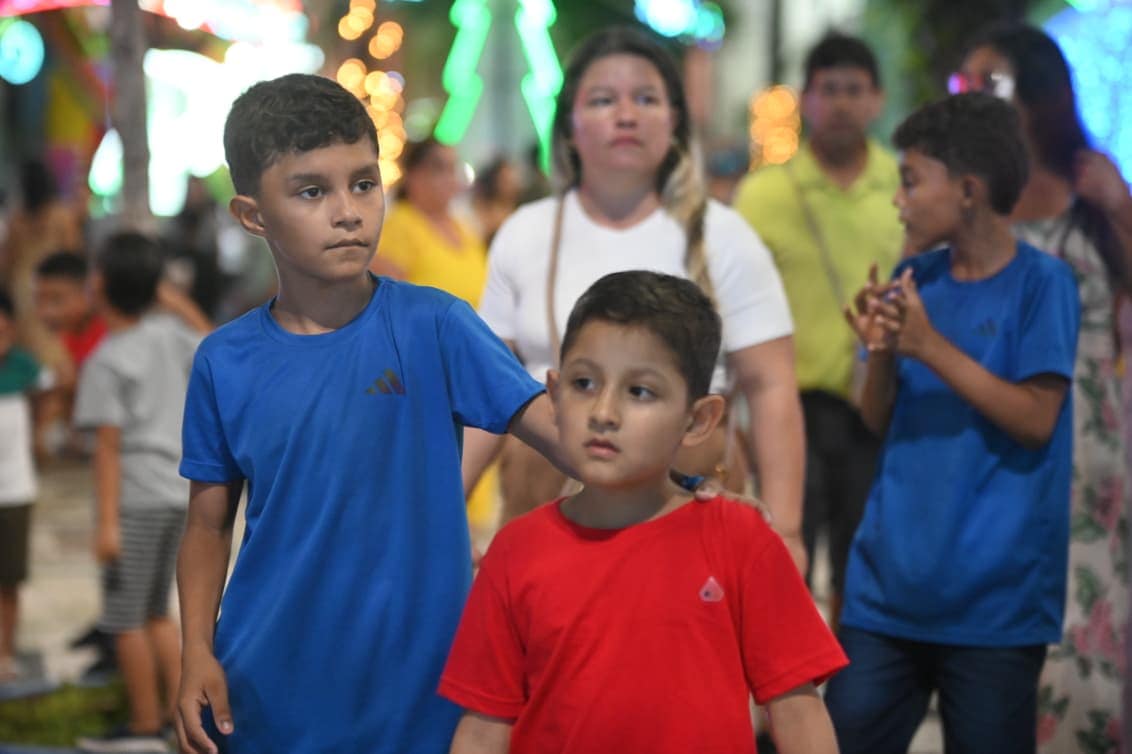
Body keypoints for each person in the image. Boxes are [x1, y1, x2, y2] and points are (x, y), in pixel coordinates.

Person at [173, 73, 579, 754]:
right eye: (312, 191)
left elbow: (573, 442)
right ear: (252, 215)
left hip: (422, 702)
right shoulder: (225, 361)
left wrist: (687, 482)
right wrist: (195, 652)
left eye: (364, 183)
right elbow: (207, 526)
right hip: (267, 696)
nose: (348, 212)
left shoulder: (437, 326)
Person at [440, 270, 846, 754]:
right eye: (584, 383)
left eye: (640, 392)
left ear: (698, 420)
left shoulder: (742, 539)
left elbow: (798, 712)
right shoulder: (515, 552)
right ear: (554, 393)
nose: (603, 412)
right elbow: (483, 728)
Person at [467, 26, 805, 571]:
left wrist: (786, 530)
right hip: (546, 514)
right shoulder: (525, 233)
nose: (626, 115)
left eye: (646, 99)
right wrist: (445, 506)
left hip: (689, 522)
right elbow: (487, 386)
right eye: (604, 100)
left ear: (674, 121)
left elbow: (771, 387)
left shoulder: (725, 237)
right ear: (569, 125)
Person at [825, 92, 1080, 754]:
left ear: (968, 190)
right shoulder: (915, 276)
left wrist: (929, 346)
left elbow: (1036, 419)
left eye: (911, 181)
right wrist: (882, 351)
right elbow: (876, 416)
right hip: (886, 594)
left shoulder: (1043, 284)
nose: (898, 199)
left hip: (995, 607)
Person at [954, 24, 1132, 752]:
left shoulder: (1092, 182)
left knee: (1086, 596)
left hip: (1088, 430)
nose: (973, 95)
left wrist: (1120, 206)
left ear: (1039, 94)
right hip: (993, 421)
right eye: (966, 82)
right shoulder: (970, 193)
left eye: (989, 82)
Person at [732, 32, 901, 624]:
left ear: (877, 99)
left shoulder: (904, 188)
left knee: (867, 568)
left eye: (855, 90)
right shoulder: (764, 194)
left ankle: (856, 672)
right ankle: (793, 676)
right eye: (829, 90)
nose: (842, 103)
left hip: (878, 409)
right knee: (785, 561)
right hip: (789, 411)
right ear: (806, 99)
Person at [71, 232, 203, 753]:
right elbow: (212, 339)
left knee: (124, 619)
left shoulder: (107, 360)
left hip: (135, 502)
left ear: (101, 283)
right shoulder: (171, 336)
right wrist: (170, 297)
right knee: (156, 614)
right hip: (177, 494)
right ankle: (177, 721)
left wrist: (106, 525)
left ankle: (145, 726)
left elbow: (107, 449)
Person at [370, 137, 487, 307]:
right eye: (440, 169)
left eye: (453, 169)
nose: (450, 179)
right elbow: (391, 302)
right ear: (414, 175)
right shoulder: (400, 224)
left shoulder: (462, 226)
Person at [0, 289, 43, 684]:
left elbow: (59, 383)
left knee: (9, 580)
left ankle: (5, 653)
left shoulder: (24, 368)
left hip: (14, 491)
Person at [471, 155, 522, 247]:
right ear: (495, 182)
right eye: (505, 181)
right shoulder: (482, 211)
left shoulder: (518, 211)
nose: (512, 185)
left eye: (513, 180)